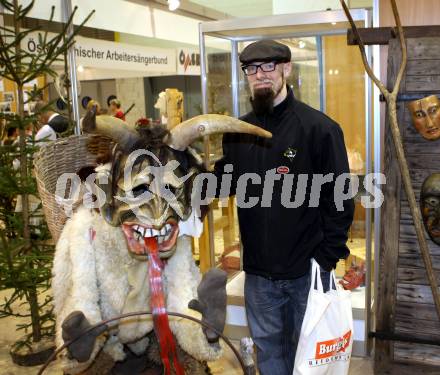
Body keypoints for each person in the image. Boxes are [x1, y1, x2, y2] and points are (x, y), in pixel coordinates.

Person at [213, 39, 354, 375]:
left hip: (306, 271)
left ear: (286, 69)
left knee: (308, 356)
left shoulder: (319, 129)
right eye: (251, 68)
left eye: (268, 66)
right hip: (259, 275)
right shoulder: (237, 133)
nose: (259, 74)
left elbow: (340, 199)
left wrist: (326, 258)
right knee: (270, 355)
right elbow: (222, 183)